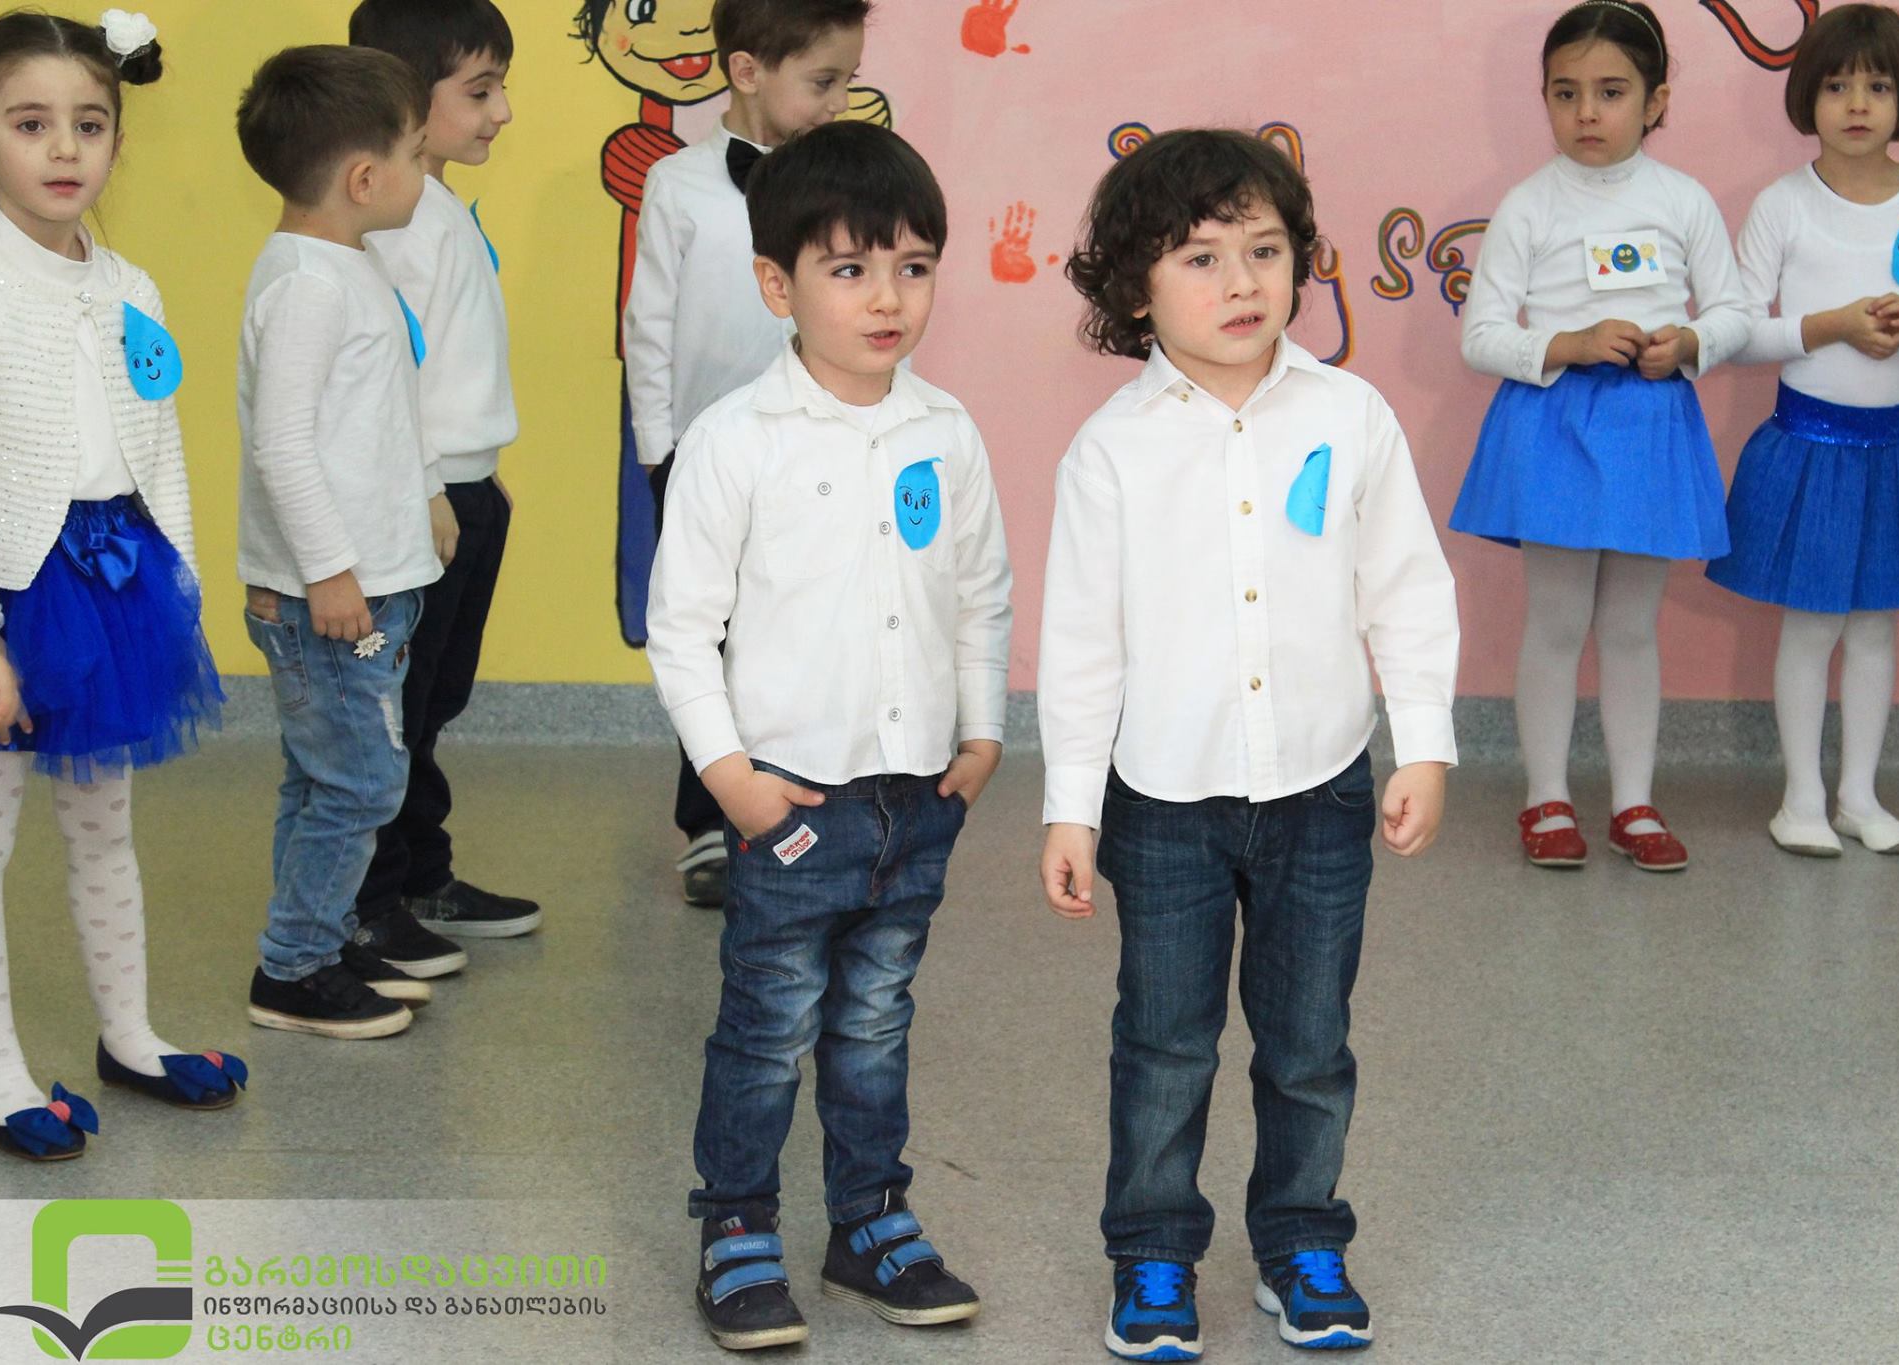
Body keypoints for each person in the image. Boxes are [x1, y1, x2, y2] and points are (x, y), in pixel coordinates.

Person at [1038, 128, 1458, 1359]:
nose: (1241, 282)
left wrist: (1422, 743)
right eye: (1201, 258)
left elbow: (1405, 588)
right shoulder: (1111, 450)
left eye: (1265, 251)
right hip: (1161, 799)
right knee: (1164, 1045)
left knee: (1308, 1042)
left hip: (1319, 787)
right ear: (1134, 291)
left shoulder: (1350, 414)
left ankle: (1300, 1242)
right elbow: (1081, 644)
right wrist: (1070, 806)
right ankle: (1152, 1255)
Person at [647, 121, 1009, 1350]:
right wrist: (730, 779)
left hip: (915, 798)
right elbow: (680, 629)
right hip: (789, 802)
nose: (886, 297)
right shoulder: (733, 441)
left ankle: (867, 1221)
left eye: (912, 267)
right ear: (777, 284)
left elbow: (980, 592)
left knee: (874, 1020)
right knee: (768, 1027)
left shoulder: (945, 431)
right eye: (849, 269)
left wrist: (980, 732)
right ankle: (736, 1225)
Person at [0, 8, 243, 1162]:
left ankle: (128, 1034)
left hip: (113, 579)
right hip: (7, 593)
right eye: (30, 123)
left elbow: (158, 446)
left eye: (89, 124)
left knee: (104, 826)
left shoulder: (132, 283)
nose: (63, 148)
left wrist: (179, 590)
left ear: (119, 141)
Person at [1449, 0, 1750, 872]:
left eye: (1612, 92)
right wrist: (1567, 345)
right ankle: (1545, 795)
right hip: (1555, 427)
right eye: (1566, 92)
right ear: (1544, 98)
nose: (1587, 111)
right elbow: (1481, 336)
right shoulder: (1528, 205)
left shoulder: (1683, 200)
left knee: (1630, 625)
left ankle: (1633, 803)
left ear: (1656, 102)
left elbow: (1732, 313)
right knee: (1555, 619)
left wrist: (1688, 343)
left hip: (1651, 426)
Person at [1707, 4, 1899, 857]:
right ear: (1807, 97)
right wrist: (1829, 325)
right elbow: (1737, 330)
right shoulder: (1782, 204)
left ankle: (1859, 796)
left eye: (1878, 86)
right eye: (1836, 86)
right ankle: (1800, 798)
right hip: (1811, 446)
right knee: (1813, 623)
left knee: (1873, 626)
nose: (1857, 104)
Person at [625, 0, 875, 909]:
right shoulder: (677, 184)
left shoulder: (847, 183)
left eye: (847, 80)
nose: (839, 101)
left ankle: (818, 798)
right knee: (711, 636)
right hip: (705, 452)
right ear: (745, 72)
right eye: (823, 82)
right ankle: (708, 817)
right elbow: (649, 322)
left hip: (819, 443)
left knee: (804, 627)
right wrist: (659, 450)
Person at [235, 44, 452, 1038]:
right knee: (362, 781)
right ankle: (293, 967)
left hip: (368, 583)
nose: (423, 169)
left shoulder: (346, 265)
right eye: (415, 152)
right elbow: (282, 444)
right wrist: (328, 571)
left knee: (322, 775)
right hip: (326, 596)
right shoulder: (307, 288)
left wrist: (428, 490)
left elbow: (383, 407)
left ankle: (314, 937)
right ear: (364, 178)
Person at [349, 0, 540, 971]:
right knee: (394, 710)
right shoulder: (393, 223)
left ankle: (422, 872)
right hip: (419, 506)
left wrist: (479, 483)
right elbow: (383, 380)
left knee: (431, 703)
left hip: (465, 493)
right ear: (403, 97)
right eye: (480, 90)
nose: (501, 111)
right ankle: (368, 901)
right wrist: (430, 487)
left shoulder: (437, 207)